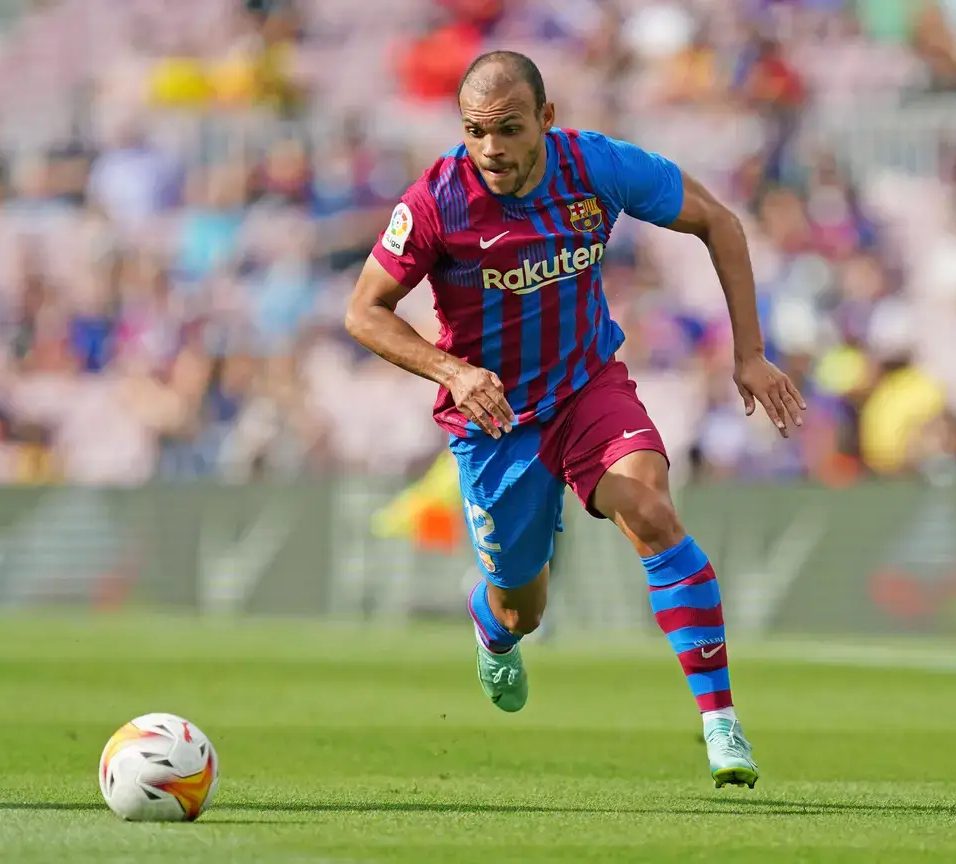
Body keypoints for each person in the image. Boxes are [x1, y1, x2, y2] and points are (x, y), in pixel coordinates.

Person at [345, 51, 805, 789]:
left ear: (546, 121)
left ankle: (721, 723)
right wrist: (454, 372)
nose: (491, 147)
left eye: (508, 128)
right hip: (494, 422)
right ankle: (492, 628)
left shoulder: (595, 167)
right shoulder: (436, 202)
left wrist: (749, 353)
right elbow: (363, 311)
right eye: (475, 131)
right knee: (524, 608)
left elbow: (719, 222)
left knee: (650, 508)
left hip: (586, 388)